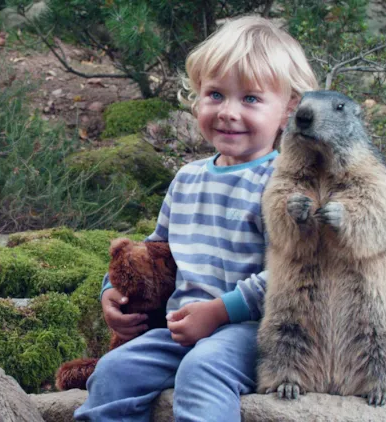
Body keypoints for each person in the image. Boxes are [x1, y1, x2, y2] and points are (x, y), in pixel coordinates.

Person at [73, 15, 319, 422]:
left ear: (289, 107)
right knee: (113, 371)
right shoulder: (188, 179)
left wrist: (220, 312)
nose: (228, 112)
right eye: (216, 94)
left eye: (251, 99)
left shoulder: (286, 183)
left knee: (203, 370)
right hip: (183, 326)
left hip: (259, 332)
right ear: (197, 96)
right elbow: (155, 253)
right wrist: (112, 293)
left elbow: (295, 274)